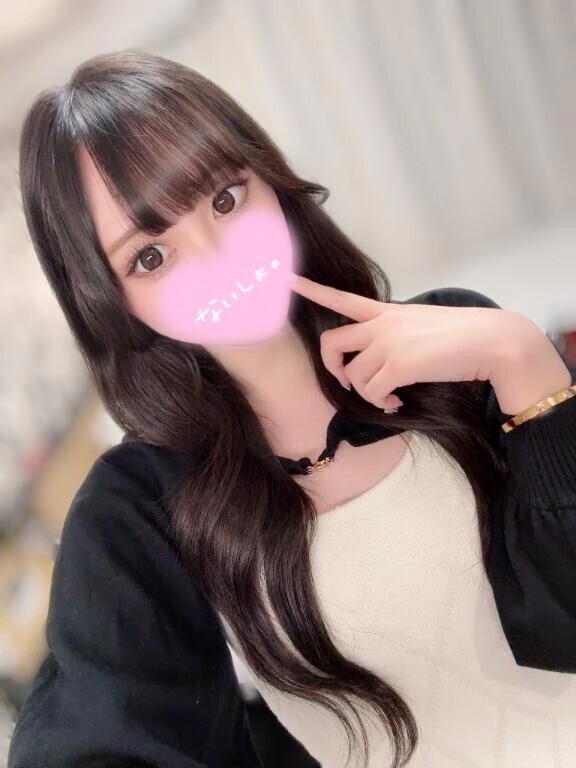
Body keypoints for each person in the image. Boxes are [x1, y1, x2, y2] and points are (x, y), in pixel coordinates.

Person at [8, 48, 576, 768]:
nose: (216, 256)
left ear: (268, 181)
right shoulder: (141, 509)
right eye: (150, 256)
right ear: (109, 300)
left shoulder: (458, 347)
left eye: (224, 199)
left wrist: (521, 357)